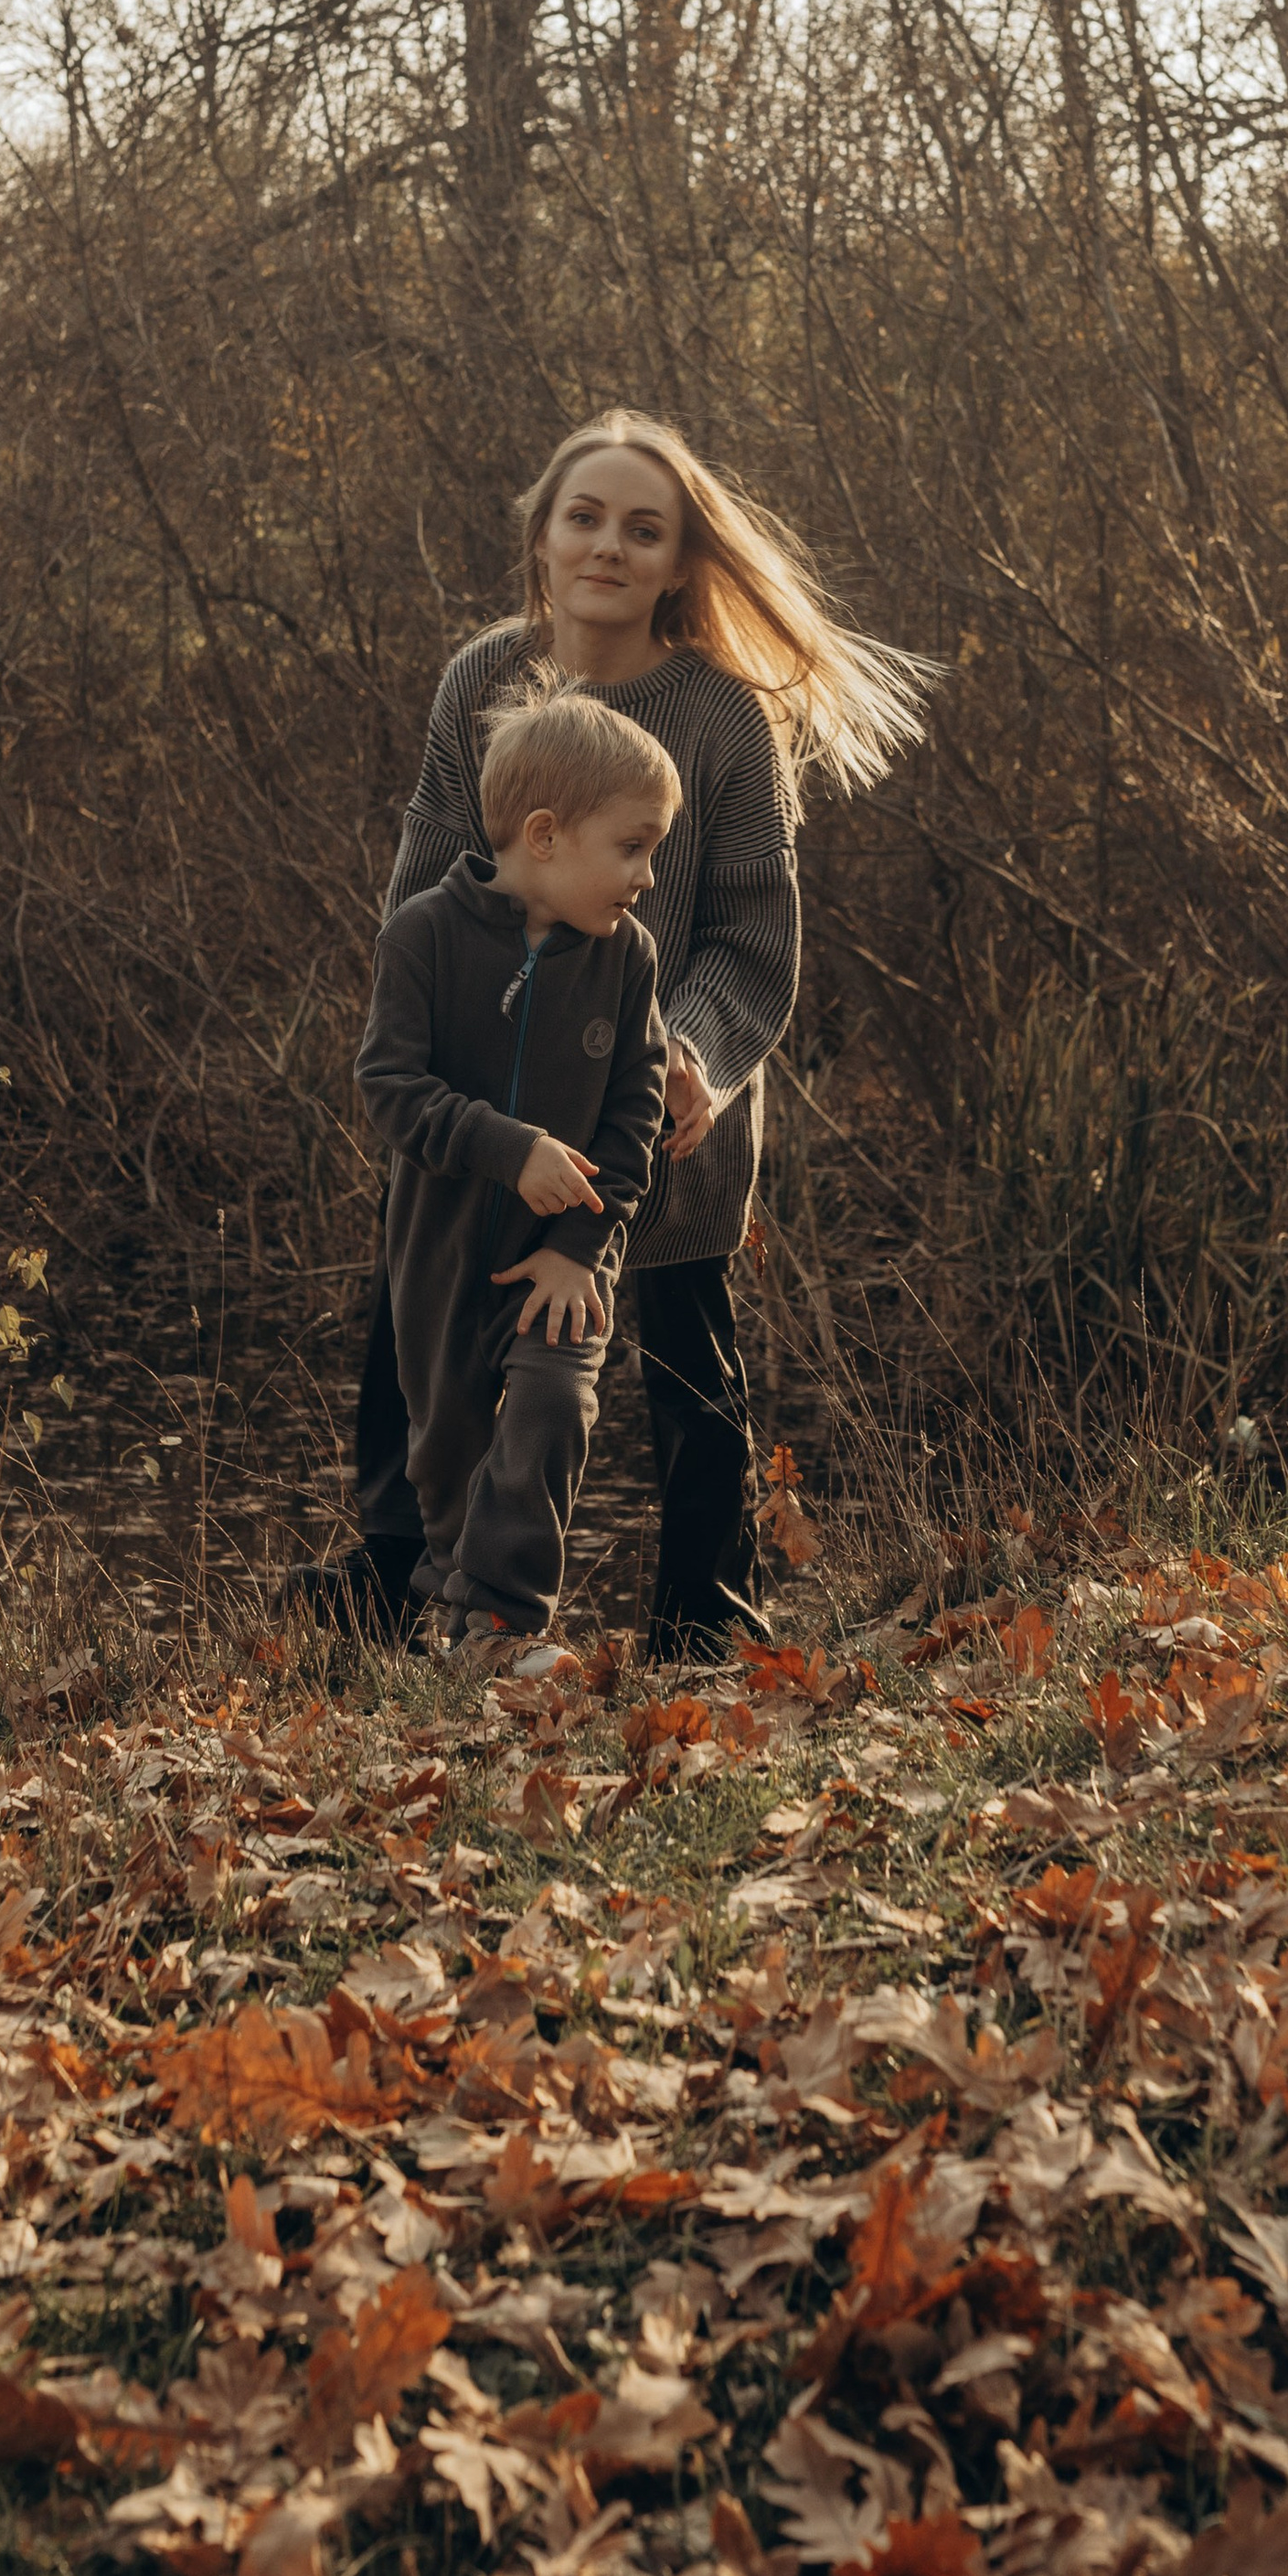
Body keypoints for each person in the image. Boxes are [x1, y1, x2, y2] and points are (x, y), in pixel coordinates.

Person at [303, 408, 932, 1660]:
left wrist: (690, 1051)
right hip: (489, 1091)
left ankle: (708, 1613)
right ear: (542, 536)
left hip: (668, 1093)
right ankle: (396, 1583)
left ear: (682, 561)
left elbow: (753, 934)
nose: (609, 546)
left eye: (643, 529)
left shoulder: (724, 719)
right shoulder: (481, 680)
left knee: (687, 1346)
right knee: (417, 1326)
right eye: (584, 518)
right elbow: (429, 882)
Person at [355, 685, 673, 1667]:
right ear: (543, 835)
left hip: (564, 1257)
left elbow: (637, 1115)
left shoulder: (626, 962)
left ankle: (503, 1617)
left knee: (549, 1408)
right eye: (631, 848)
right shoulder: (423, 935)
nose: (648, 878)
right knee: (445, 1443)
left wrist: (581, 1246)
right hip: (441, 1253)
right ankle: (453, 1604)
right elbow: (389, 1087)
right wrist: (507, 1145)